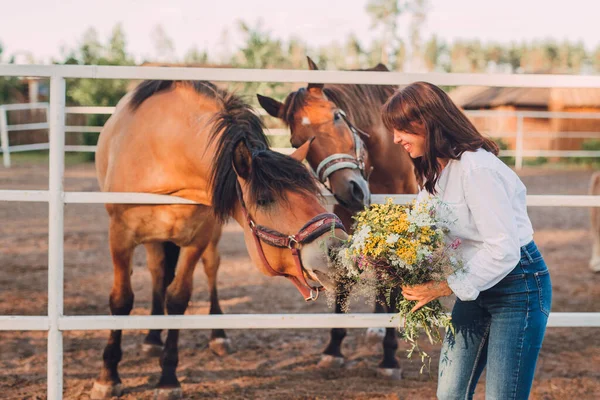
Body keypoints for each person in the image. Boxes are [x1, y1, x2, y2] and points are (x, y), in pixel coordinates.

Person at [381, 81, 552, 400]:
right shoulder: (436, 169)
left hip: (518, 287)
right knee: (450, 393)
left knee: (503, 396)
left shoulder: (477, 169)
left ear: (426, 123)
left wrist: (444, 286)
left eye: (401, 129)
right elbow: (420, 224)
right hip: (476, 285)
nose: (396, 139)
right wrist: (381, 250)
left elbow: (503, 249)